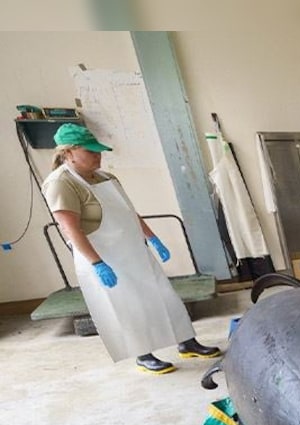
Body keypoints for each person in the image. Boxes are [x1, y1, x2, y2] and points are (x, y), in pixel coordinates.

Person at [42, 123, 221, 375]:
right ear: (68, 153)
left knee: (163, 295)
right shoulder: (60, 183)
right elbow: (71, 230)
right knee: (127, 304)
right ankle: (143, 355)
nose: (98, 156)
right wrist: (97, 263)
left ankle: (187, 342)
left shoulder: (107, 177)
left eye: (99, 151)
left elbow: (128, 211)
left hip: (133, 249)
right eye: (90, 151)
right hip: (104, 256)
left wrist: (153, 238)